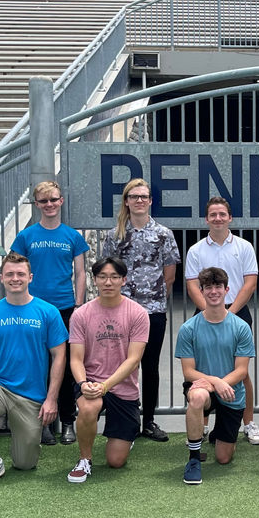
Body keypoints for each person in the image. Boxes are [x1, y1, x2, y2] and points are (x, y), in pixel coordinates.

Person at [0, 253, 68, 488]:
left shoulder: (48, 312)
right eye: (9, 274)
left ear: (30, 277)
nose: (15, 278)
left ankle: (20, 447)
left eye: (20, 274)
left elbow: (59, 356)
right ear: (1, 277)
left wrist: (51, 399)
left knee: (25, 463)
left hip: (31, 396)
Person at [99, 178, 180, 443]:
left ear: (150, 201)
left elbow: (169, 275)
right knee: (121, 365)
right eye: (134, 197)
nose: (139, 201)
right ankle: (124, 418)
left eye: (144, 196)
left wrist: (154, 300)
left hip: (153, 309)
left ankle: (149, 421)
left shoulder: (164, 234)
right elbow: (108, 272)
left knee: (150, 365)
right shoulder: (115, 236)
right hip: (121, 311)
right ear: (126, 201)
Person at [9, 179, 90, 446]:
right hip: (33, 309)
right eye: (44, 201)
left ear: (61, 201)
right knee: (37, 366)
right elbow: (15, 271)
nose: (49, 205)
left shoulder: (72, 236)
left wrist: (78, 306)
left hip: (65, 309)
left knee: (65, 367)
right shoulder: (26, 236)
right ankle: (41, 423)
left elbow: (80, 273)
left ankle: (68, 421)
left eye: (54, 199)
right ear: (36, 205)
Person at [183, 196, 259, 445]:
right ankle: (202, 425)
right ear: (206, 219)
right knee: (204, 367)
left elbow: (250, 283)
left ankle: (248, 422)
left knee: (242, 371)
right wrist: (211, 309)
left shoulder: (244, 247)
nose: (218, 218)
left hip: (238, 312)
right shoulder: (196, 250)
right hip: (205, 312)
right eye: (213, 215)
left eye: (222, 214)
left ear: (230, 218)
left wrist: (231, 313)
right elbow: (193, 285)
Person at [66, 256, 150, 483]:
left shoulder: (138, 313)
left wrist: (106, 386)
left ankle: (127, 436)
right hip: (91, 380)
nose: (108, 282)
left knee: (116, 461)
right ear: (95, 280)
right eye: (102, 277)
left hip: (122, 386)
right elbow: (75, 359)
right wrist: (84, 384)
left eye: (114, 277)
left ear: (124, 280)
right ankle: (85, 460)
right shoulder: (81, 314)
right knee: (88, 407)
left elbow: (133, 360)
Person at [175, 267, 255, 485]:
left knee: (223, 458)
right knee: (197, 397)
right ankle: (193, 458)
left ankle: (219, 434)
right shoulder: (188, 328)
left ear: (226, 289)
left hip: (231, 391)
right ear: (201, 291)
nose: (213, 291)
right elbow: (188, 372)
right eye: (208, 287)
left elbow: (241, 370)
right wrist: (215, 382)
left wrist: (221, 384)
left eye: (217, 286)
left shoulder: (241, 327)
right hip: (204, 387)